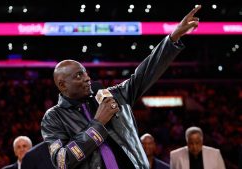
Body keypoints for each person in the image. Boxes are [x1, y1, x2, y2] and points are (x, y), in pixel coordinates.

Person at [41, 5, 202, 169]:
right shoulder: (53, 117)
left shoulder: (113, 95)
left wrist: (173, 37)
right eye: (78, 76)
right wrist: (98, 124)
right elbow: (62, 161)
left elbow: (145, 73)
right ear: (62, 85)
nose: (87, 78)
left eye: (85, 73)